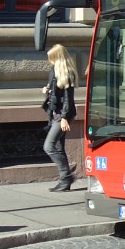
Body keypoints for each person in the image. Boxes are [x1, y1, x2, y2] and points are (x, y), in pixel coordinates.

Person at [42, 44, 77, 192]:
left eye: (52, 58)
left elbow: (68, 99)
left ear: (58, 58)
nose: (50, 61)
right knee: (58, 147)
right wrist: (46, 90)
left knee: (48, 146)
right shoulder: (54, 72)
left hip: (62, 115)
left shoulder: (66, 73)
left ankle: (67, 176)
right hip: (55, 114)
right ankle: (65, 182)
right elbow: (56, 94)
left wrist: (64, 118)